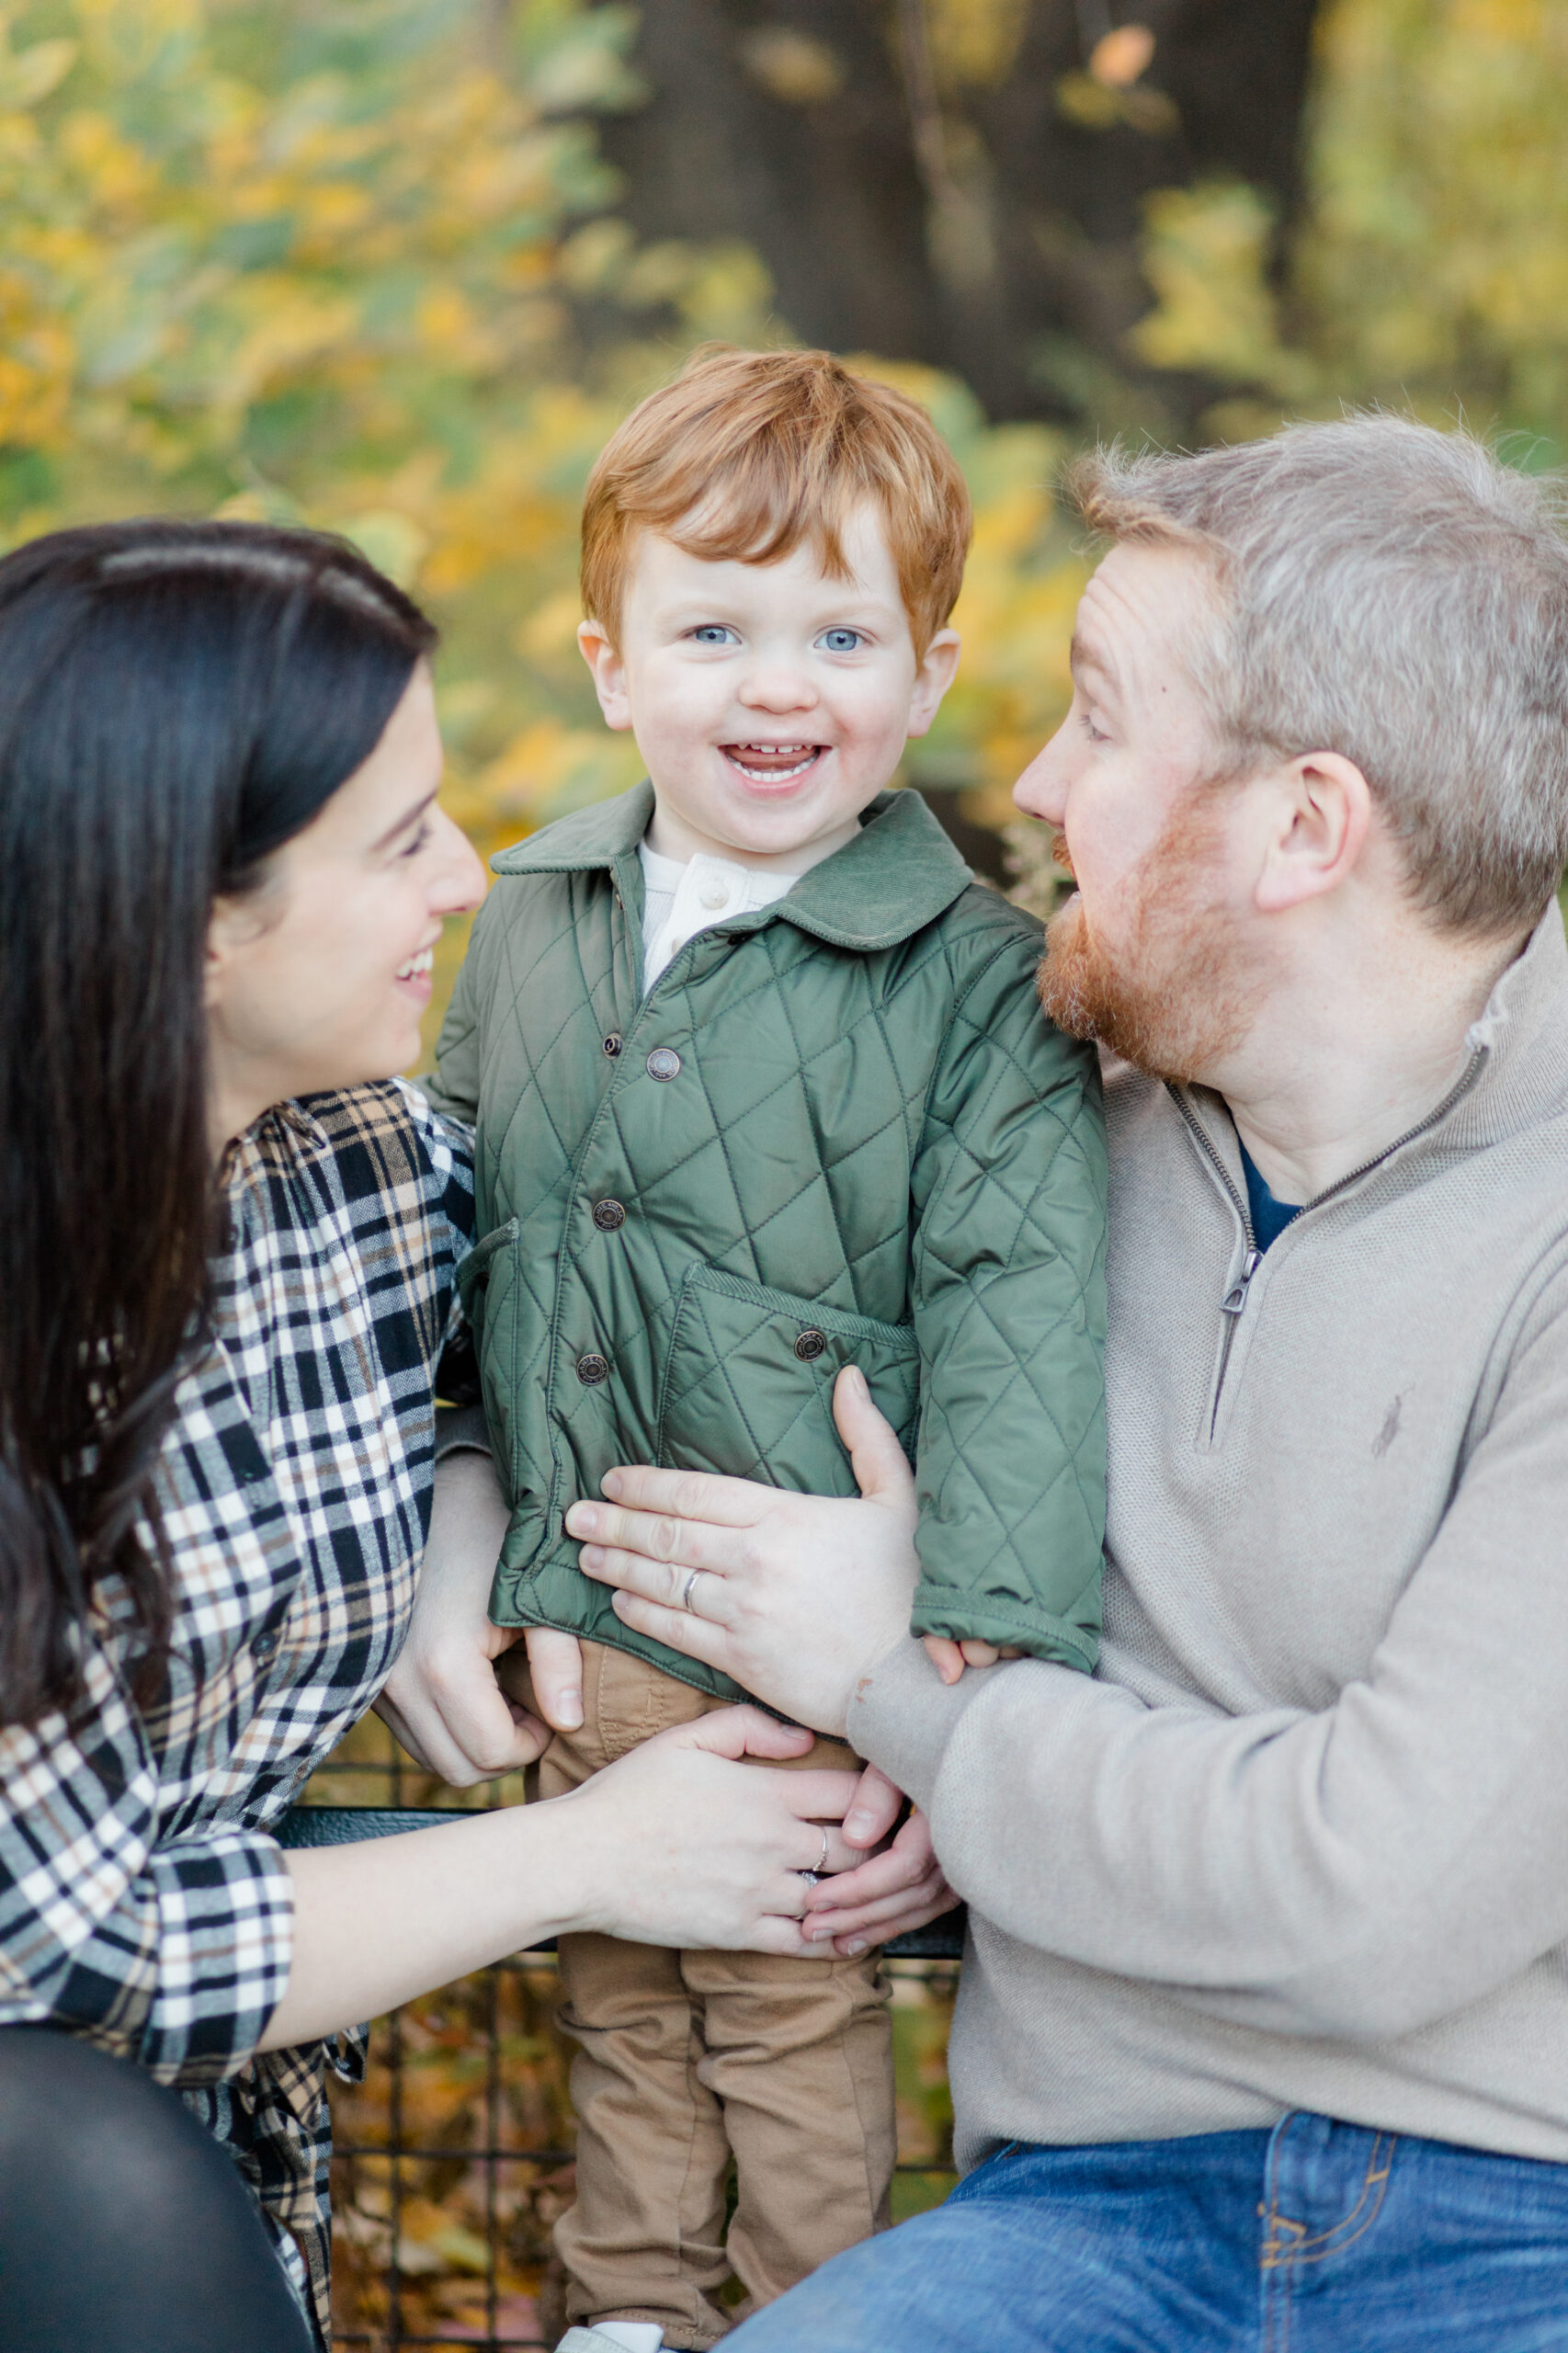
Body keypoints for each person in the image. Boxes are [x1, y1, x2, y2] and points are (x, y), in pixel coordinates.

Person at [525, 415, 1568, 2349]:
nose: (1028, 781)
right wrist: (448, 1516)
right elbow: (597, 1314)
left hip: (1519, 2218)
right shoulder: (1006, 1132)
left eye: (1097, 723)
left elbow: (1374, 1887)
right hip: (1082, 2210)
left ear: (1304, 829)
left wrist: (900, 1690)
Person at [0, 517, 884, 2353]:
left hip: (201, 2157)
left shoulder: (364, 1161)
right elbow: (53, 1943)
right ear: (190, 911)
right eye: (402, 838)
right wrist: (588, 1855)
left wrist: (461, 1498)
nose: (471, 876)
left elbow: (536, 1340)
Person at [421, 344, 1108, 2351]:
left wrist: (973, 1627)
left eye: (837, 631)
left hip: (803, 1623)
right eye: (711, 627)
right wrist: (457, 1505)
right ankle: (629, 2314)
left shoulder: (971, 979)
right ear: (610, 661)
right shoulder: (536, 912)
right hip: (587, 1599)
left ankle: (802, 2313)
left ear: (926, 672)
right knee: (622, 1993)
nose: (775, 682)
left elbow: (1019, 1293)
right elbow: (452, 1220)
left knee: (791, 2011)